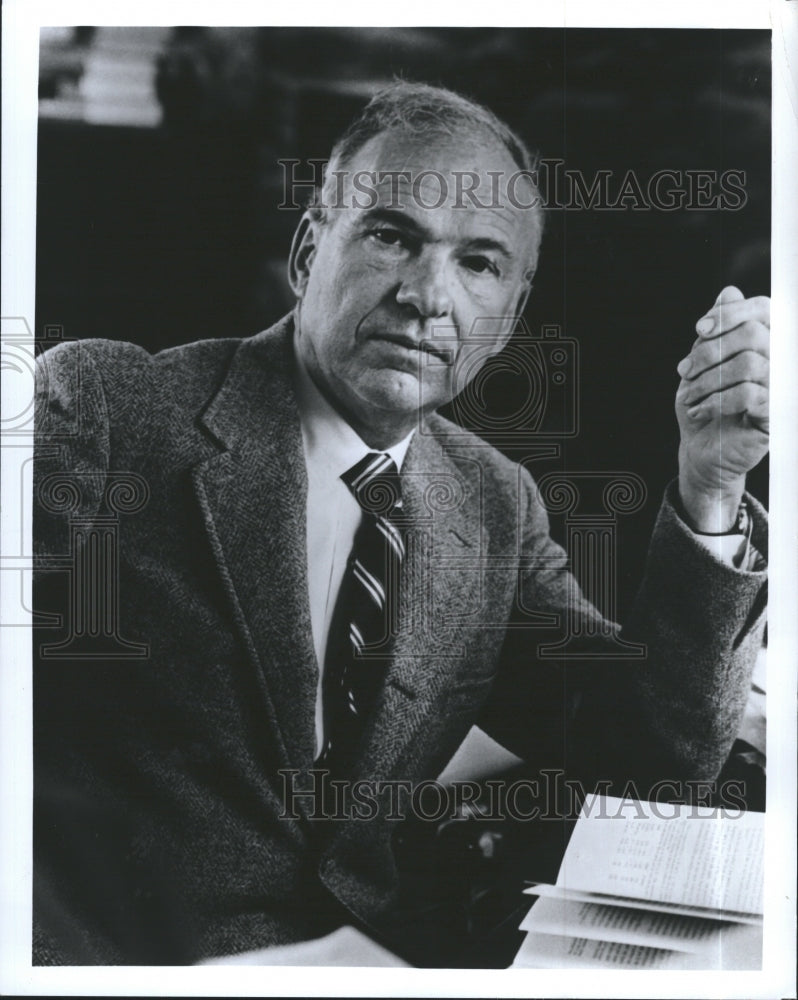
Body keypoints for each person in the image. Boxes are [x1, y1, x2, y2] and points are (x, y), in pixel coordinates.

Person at [32, 82, 769, 965]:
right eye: (391, 236)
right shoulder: (108, 411)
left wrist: (709, 485)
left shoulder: (494, 500)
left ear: (507, 321)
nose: (428, 296)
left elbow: (650, 765)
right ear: (309, 252)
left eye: (480, 264)